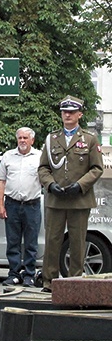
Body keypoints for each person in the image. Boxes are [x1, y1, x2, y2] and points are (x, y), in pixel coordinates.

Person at [38, 95, 104, 292]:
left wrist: (80, 185)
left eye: (72, 112)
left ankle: (75, 282)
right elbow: (43, 168)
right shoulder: (51, 139)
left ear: (80, 115)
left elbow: (96, 168)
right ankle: (49, 281)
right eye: (65, 112)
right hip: (56, 198)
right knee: (52, 241)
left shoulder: (90, 139)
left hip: (79, 199)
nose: (67, 115)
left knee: (77, 242)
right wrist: (50, 185)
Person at [0, 127, 42, 287]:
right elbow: (1, 181)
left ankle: (29, 274)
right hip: (12, 204)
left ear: (32, 140)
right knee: (13, 241)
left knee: (31, 242)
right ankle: (14, 274)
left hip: (32, 205)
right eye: (20, 138)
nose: (22, 140)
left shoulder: (39, 157)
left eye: (25, 138)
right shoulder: (8, 156)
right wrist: (0, 205)